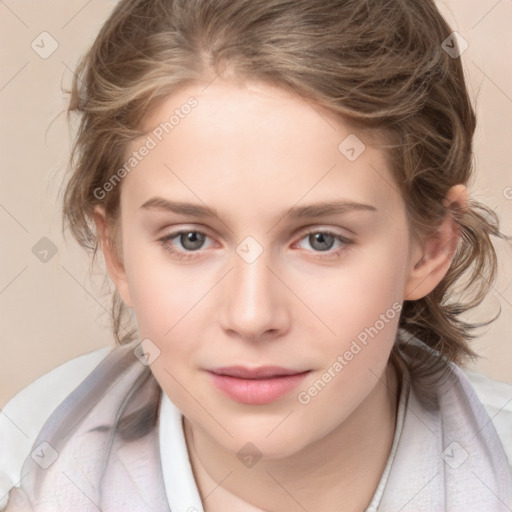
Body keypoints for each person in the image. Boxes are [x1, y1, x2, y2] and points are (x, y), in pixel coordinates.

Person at [1, 0, 511, 510]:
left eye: (321, 240)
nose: (251, 316)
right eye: (190, 239)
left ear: (431, 247)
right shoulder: (22, 467)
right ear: (116, 250)